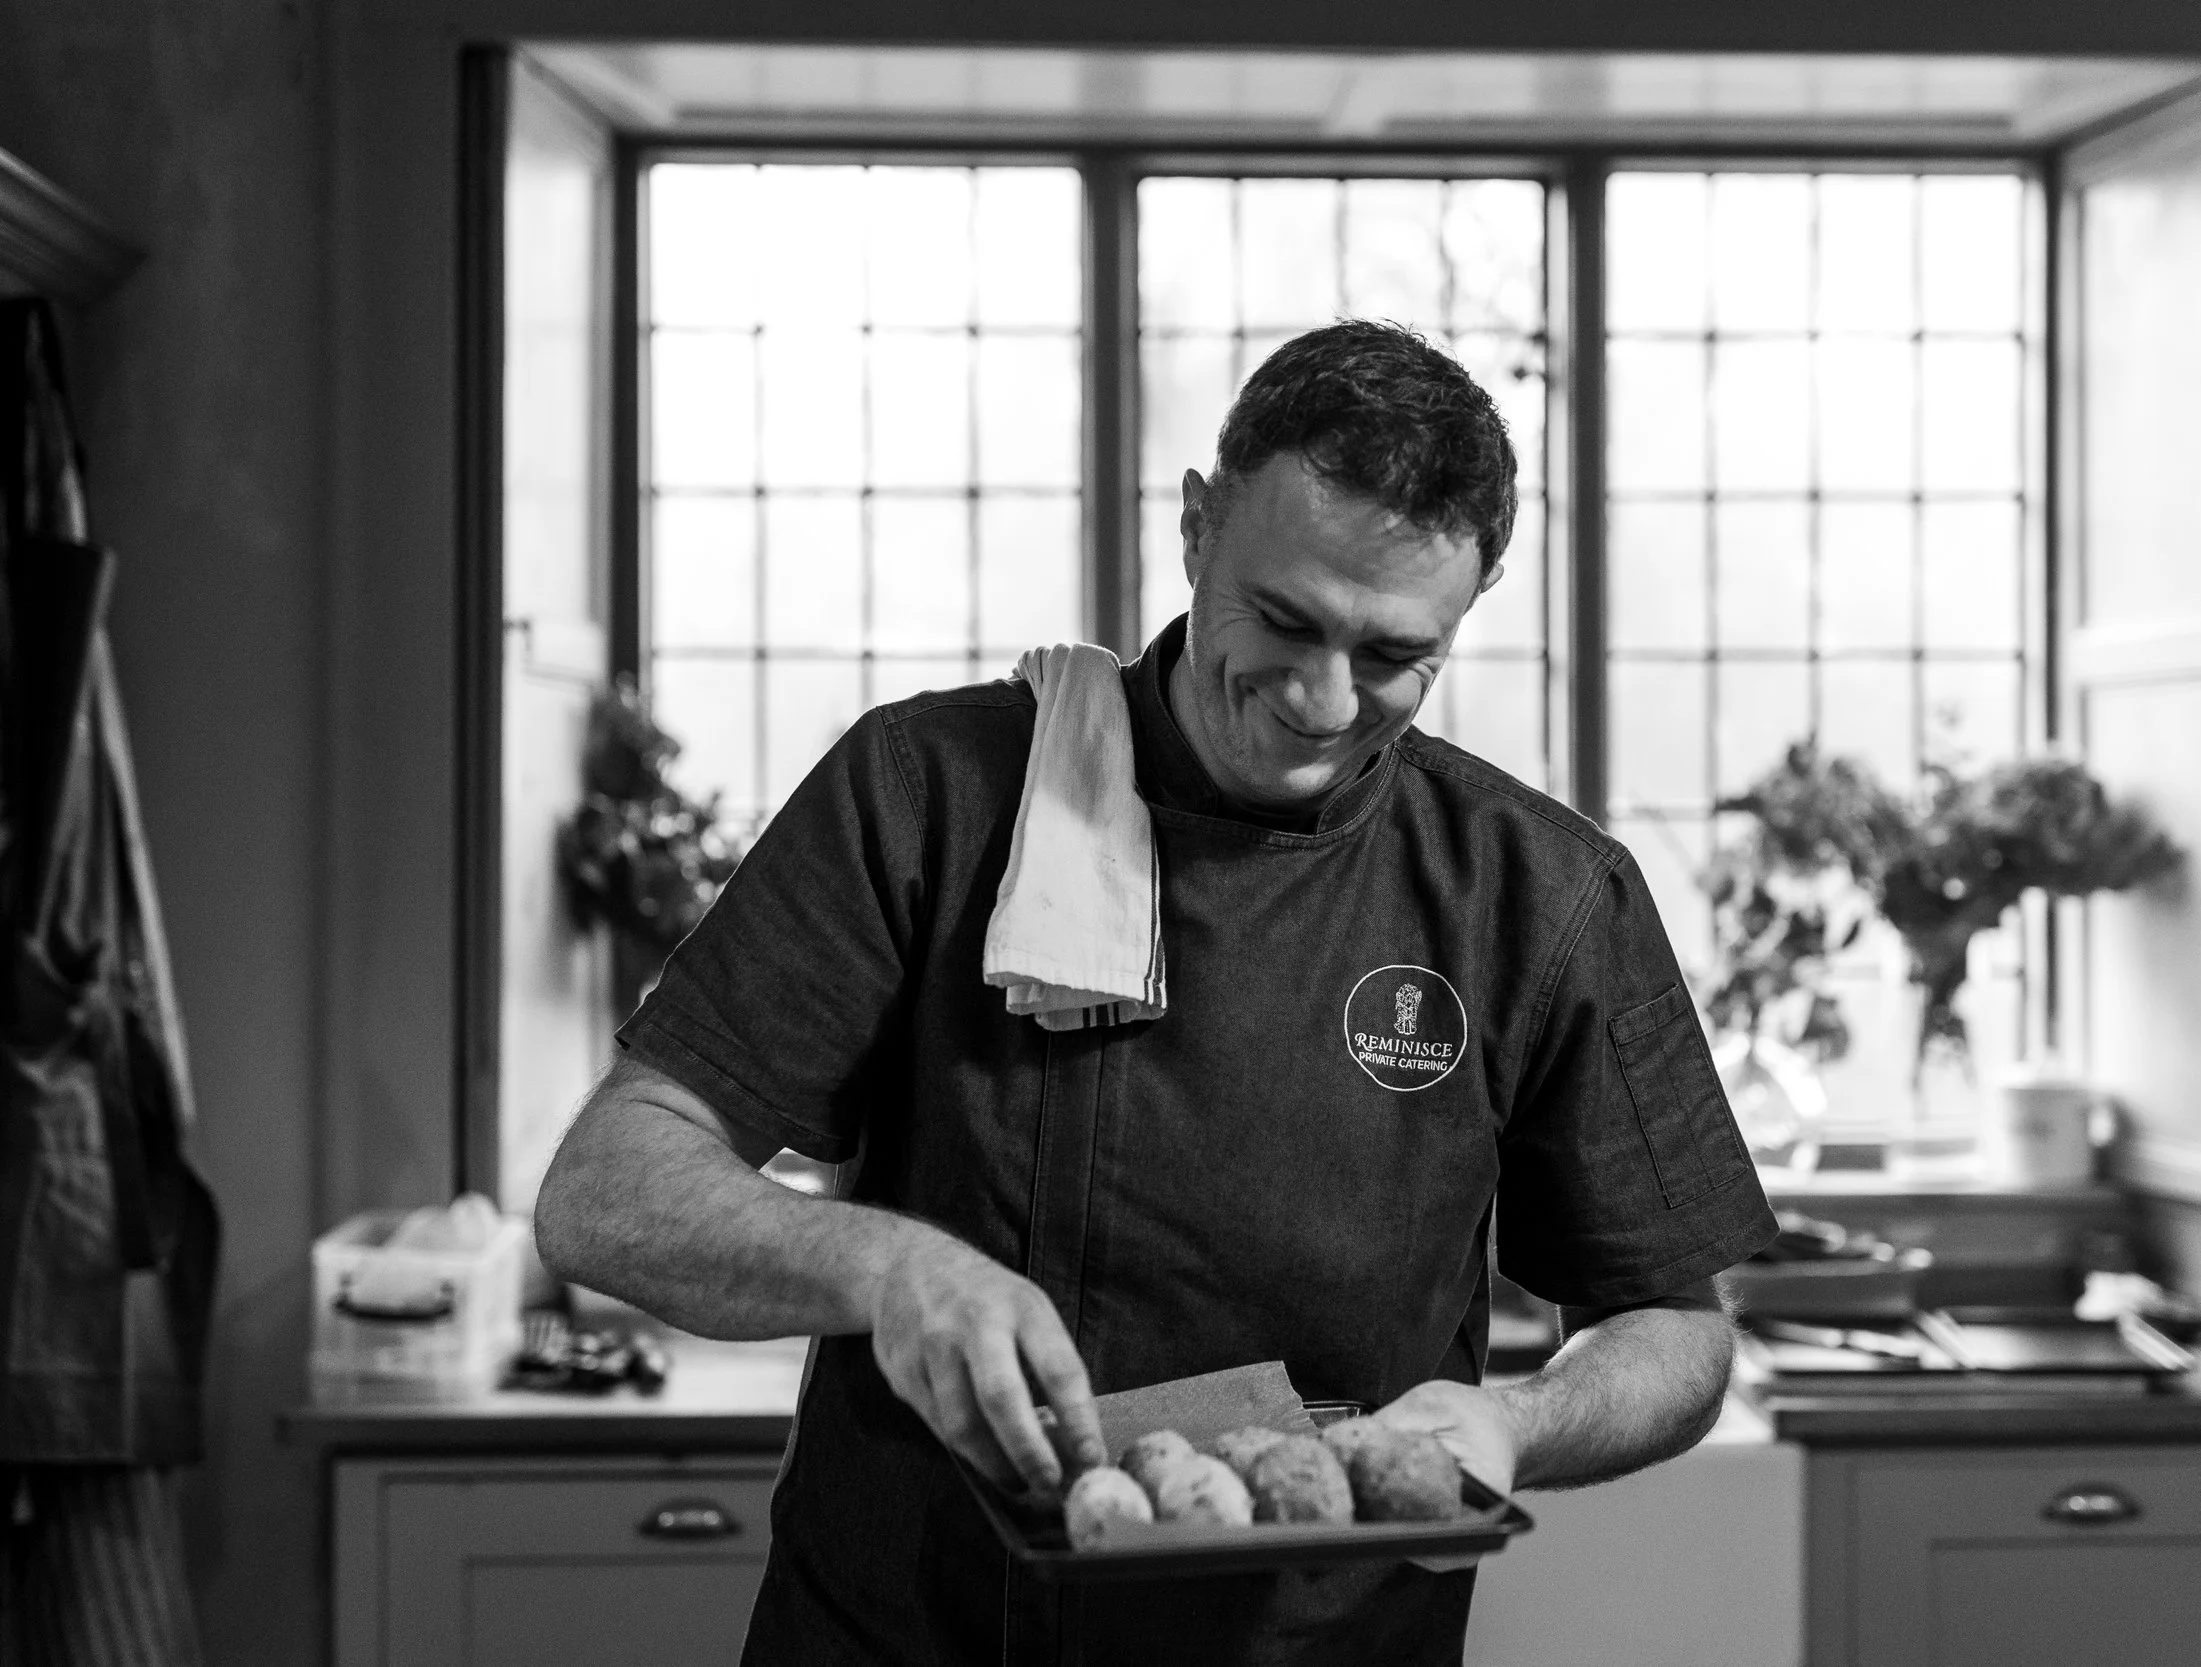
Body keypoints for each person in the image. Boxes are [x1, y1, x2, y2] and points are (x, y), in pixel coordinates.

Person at [535, 320, 1777, 1665]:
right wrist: (885, 1265)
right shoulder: (929, 795)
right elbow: (604, 1189)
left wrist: (1515, 1424)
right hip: (909, 1636)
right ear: (1197, 528)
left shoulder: (1538, 893)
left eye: (1390, 657)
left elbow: (1673, 1328)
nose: (1319, 698)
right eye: (1283, 618)